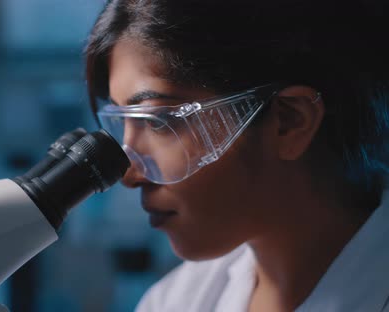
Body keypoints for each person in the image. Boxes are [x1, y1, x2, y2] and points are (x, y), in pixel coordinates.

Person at [84, 0, 389, 311]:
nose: (129, 175)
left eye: (158, 122)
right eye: (123, 122)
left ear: (289, 121)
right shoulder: (175, 301)